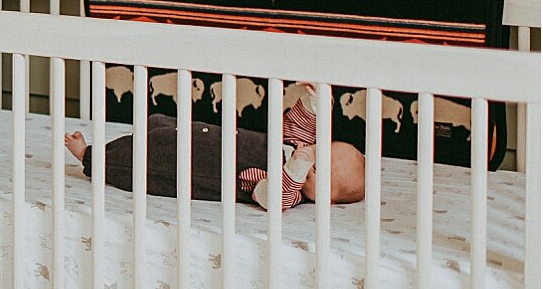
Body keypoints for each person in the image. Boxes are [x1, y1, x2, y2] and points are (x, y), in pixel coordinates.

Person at [64, 86, 367, 210]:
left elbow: (268, 195)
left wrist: (297, 168)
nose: (312, 162)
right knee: (160, 127)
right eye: (321, 155)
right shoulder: (296, 145)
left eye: (322, 173)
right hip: (196, 136)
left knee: (138, 160)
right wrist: (316, 104)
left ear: (327, 200)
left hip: (187, 165)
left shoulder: (290, 192)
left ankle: (89, 155)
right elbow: (298, 126)